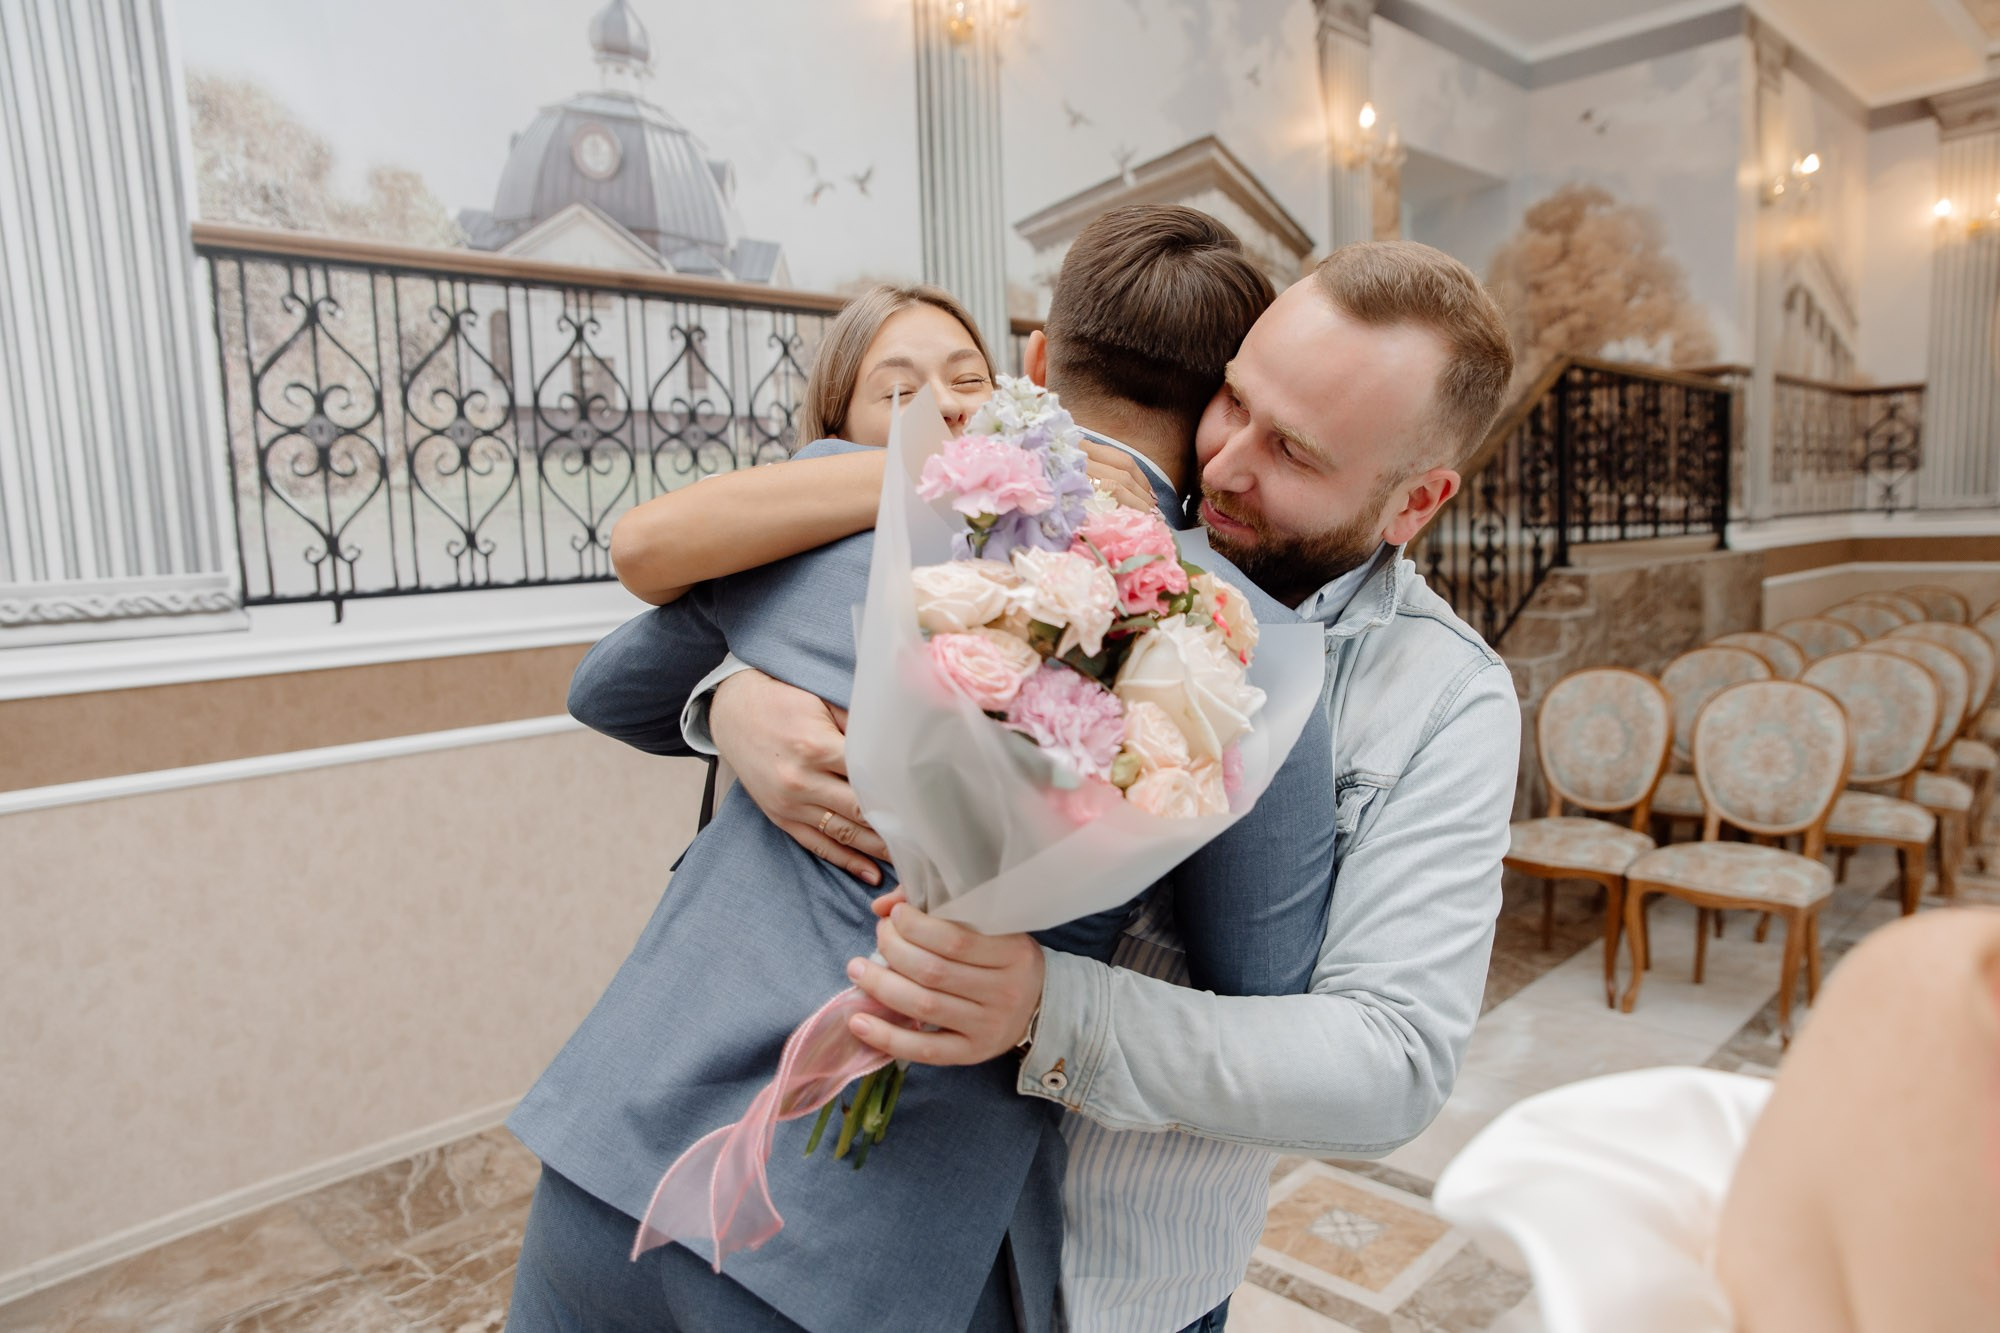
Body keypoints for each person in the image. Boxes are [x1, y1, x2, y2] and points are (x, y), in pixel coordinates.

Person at [591, 215, 1522, 1330]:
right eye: (1233, 400)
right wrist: (738, 694)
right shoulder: (1053, 515)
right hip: (876, 1236)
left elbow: (1390, 1061)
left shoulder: (1444, 702)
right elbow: (650, 656)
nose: (1226, 464)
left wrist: (1051, 1010)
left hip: (1119, 1278)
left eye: (1297, 454)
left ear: (1416, 501)